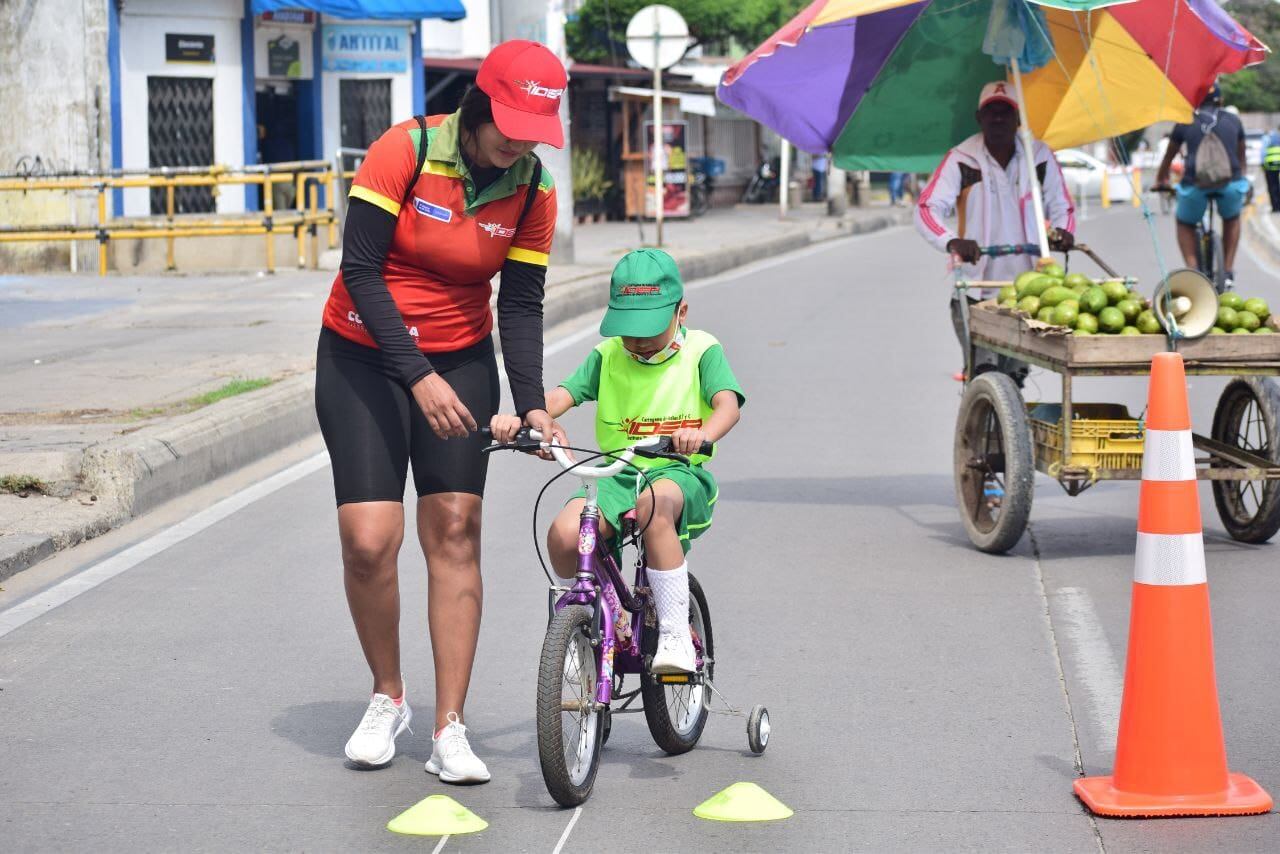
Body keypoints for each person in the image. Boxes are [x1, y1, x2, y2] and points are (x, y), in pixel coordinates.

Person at [315, 39, 569, 782]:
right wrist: (414, 375)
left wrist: (530, 404)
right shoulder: (406, 149)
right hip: (361, 356)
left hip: (461, 358)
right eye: (510, 125)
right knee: (369, 540)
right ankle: (387, 696)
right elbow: (359, 269)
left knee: (455, 530)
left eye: (534, 130)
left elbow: (520, 305)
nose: (518, 142)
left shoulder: (532, 189)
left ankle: (449, 727)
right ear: (480, 103)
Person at [491, 249, 745, 673]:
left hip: (675, 471)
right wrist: (524, 418)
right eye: (628, 330)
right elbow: (559, 397)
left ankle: (675, 634)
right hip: (616, 472)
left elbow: (727, 405)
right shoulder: (607, 355)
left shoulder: (702, 351)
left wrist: (701, 435)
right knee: (565, 534)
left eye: (647, 329)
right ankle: (594, 619)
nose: (637, 341)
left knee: (654, 507)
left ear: (681, 312)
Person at [916, 81, 1075, 380]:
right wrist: (952, 241)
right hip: (977, 290)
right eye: (992, 111)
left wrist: (1064, 232)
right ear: (979, 117)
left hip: (1029, 292)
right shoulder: (961, 158)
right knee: (984, 373)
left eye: (1006, 111)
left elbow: (1062, 205)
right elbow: (926, 209)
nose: (999, 118)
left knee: (1016, 377)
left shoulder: (1038, 155)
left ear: (1018, 120)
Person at [1155, 83, 1249, 289]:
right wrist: (1241, 178)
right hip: (1230, 183)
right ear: (1221, 101)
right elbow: (1242, 156)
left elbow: (1169, 156)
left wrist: (1161, 179)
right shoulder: (1233, 120)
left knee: (1185, 223)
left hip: (1195, 185)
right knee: (1232, 219)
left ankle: (1194, 271)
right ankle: (1229, 270)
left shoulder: (1185, 121)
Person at [1262, 125, 1280, 214]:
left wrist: (1262, 164)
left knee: (1272, 186)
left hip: (1270, 165)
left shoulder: (1269, 137)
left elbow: (1263, 152)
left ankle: (1275, 207)